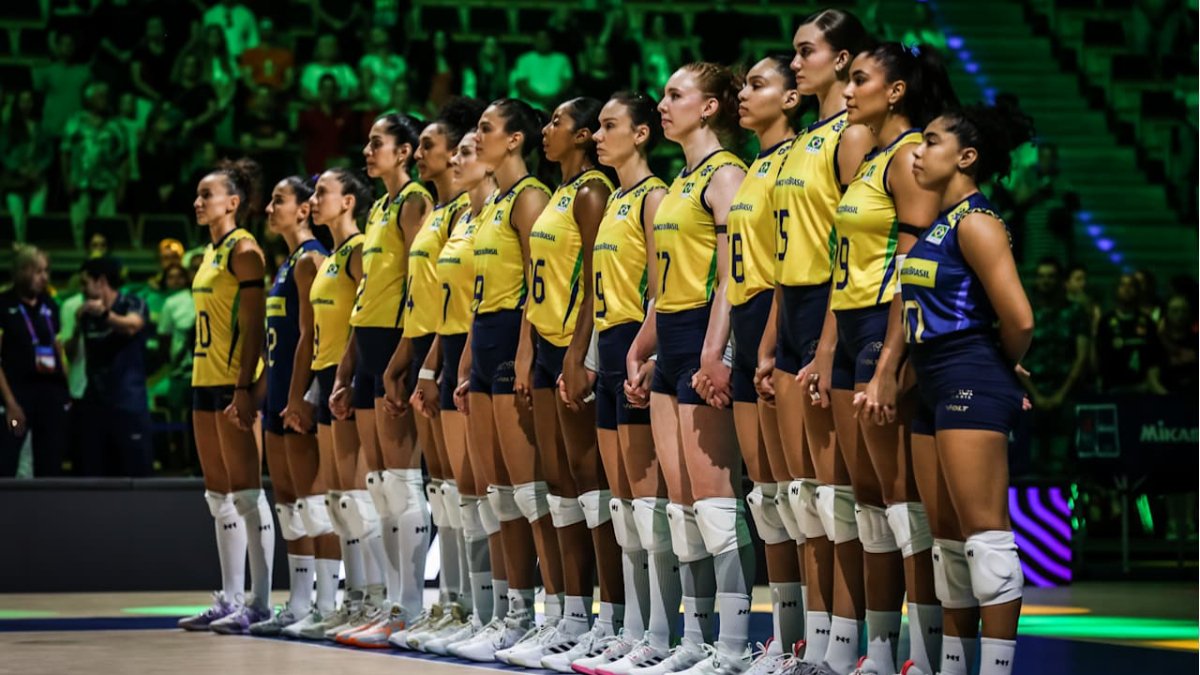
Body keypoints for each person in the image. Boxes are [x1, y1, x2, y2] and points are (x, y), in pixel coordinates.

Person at [817, 42, 957, 675]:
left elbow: (914, 273)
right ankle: (879, 654)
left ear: (896, 91)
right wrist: (826, 351)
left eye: (861, 79)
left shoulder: (906, 162)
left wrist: (889, 363)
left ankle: (926, 657)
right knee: (867, 506)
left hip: (883, 331)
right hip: (849, 332)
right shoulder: (869, 159)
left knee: (904, 508)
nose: (847, 91)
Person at [625, 62, 751, 675]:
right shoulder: (680, 180)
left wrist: (714, 351)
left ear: (709, 109)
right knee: (681, 508)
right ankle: (695, 640)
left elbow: (732, 276)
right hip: (672, 338)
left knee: (716, 505)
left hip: (705, 336)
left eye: (676, 95)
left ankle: (733, 644)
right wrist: (642, 346)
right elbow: (663, 283)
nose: (663, 104)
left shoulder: (727, 175)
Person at [904, 99, 1037, 675]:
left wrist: (1001, 364)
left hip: (968, 374)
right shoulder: (936, 224)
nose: (918, 150)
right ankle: (954, 666)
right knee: (949, 543)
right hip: (930, 380)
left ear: (967, 156)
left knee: (986, 541)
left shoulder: (977, 222)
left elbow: (1021, 319)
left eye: (931, 140)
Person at [771, 11, 874, 669]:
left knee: (840, 500)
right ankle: (811, 642)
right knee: (803, 499)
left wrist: (828, 343)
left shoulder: (854, 135)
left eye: (807, 51)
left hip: (831, 313)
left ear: (842, 59)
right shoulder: (804, 137)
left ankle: (847, 647)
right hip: (790, 312)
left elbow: (851, 248)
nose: (797, 62)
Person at [506, 97, 616, 670]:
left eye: (556, 122)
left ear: (584, 135)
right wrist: (528, 349)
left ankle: (610, 617)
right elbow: (536, 280)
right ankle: (570, 615)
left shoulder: (593, 190)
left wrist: (579, 352)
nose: (546, 130)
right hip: (545, 345)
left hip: (573, 347)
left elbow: (597, 281)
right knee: (559, 485)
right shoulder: (558, 195)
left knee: (590, 482)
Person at [447, 99, 554, 663]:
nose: (478, 136)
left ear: (514, 140)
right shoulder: (491, 205)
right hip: (485, 345)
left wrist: (526, 351)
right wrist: (467, 359)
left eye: (486, 129)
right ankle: (512, 615)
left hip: (517, 342)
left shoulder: (531, 196)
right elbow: (481, 294)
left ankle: (556, 614)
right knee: (498, 494)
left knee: (531, 490)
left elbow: (541, 286)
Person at [570, 90, 671, 675]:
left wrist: (645, 353)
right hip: (609, 349)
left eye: (610, 126)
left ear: (639, 136)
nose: (598, 135)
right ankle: (634, 630)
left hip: (637, 346)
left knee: (649, 503)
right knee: (623, 506)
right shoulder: (613, 201)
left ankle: (660, 633)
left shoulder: (653, 197)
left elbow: (662, 288)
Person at [331, 112, 434, 647]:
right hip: (368, 345)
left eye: (378, 143)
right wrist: (348, 366)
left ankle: (410, 607)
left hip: (400, 343)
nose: (367, 151)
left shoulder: (416, 201)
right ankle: (392, 603)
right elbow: (368, 291)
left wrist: (403, 355)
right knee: (377, 485)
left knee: (400, 483)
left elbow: (420, 281)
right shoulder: (379, 208)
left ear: (406, 151)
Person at [380, 99, 480, 648]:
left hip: (453, 348)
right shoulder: (441, 213)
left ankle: (470, 607)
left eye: (428, 146)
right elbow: (424, 299)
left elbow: (456, 301)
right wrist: (410, 358)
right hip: (429, 347)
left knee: (466, 487)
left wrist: (433, 361)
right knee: (443, 489)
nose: (420, 154)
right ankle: (451, 603)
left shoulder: (465, 210)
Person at [401, 115, 502, 655]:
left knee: (482, 491)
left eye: (467, 151)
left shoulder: (497, 212)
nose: (460, 159)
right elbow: (440, 304)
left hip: (480, 352)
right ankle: (460, 604)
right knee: (454, 493)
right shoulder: (457, 216)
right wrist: (426, 366)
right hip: (448, 351)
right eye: (457, 151)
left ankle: (486, 611)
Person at [725, 54, 805, 670]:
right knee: (767, 497)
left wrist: (773, 336)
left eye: (758, 84)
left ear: (792, 97)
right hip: (752, 321)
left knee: (807, 497)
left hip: (791, 319)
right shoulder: (755, 167)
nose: (744, 95)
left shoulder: (800, 160)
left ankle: (827, 640)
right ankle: (785, 637)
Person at [176, 159, 274, 634]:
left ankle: (259, 602)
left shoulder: (245, 250)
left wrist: (245, 387)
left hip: (233, 383)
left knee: (248, 494)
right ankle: (229, 597)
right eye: (197, 195)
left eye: (207, 194)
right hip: (202, 380)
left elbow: (255, 324)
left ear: (233, 203)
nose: (199, 202)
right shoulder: (207, 254)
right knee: (219, 497)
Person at [246, 176, 338, 637]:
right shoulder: (285, 264)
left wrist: (301, 396)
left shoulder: (311, 260)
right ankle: (300, 601)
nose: (268, 208)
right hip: (280, 395)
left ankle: (326, 601)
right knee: (288, 501)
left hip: (300, 396)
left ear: (304, 209)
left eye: (278, 200)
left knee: (314, 500)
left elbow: (310, 336)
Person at [288, 168, 375, 642]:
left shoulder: (359, 250)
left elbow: (365, 317)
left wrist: (347, 374)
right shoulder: (334, 257)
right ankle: (354, 599)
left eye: (322, 193)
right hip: (326, 375)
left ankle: (373, 598)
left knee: (358, 496)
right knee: (340, 498)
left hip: (349, 373)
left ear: (347, 203)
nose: (314, 199)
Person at [75, 256, 151, 477]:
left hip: (128, 404)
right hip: (96, 405)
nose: (82, 289)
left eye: (85, 282)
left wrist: (105, 315)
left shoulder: (133, 303)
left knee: (136, 473)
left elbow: (132, 326)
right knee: (96, 475)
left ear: (101, 281)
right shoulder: (86, 315)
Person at [0, 245, 70, 477]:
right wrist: (11, 404)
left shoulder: (50, 305)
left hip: (50, 395)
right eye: (38, 272)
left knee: (50, 465)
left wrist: (66, 390)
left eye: (46, 271)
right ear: (21, 272)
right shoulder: (4, 304)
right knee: (7, 462)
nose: (44, 278)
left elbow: (58, 350)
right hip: (17, 395)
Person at [1018, 257, 1090, 474]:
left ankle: (1064, 507)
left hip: (1066, 392)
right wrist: (1035, 395)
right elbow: (1015, 356)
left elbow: (1081, 356)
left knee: (1061, 463)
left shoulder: (1075, 312)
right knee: (1030, 461)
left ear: (1060, 280)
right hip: (1030, 392)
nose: (1045, 281)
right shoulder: (1025, 311)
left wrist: (1061, 394)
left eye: (1050, 276)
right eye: (1041, 276)